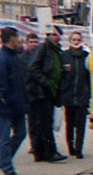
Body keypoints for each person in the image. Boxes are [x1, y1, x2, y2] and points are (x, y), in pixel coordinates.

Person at [0, 27, 27, 175]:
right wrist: (7, 101)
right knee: (4, 137)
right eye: (17, 37)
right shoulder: (1, 59)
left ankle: (2, 160)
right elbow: (0, 85)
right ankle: (7, 167)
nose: (19, 40)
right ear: (12, 39)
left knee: (21, 133)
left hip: (17, 103)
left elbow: (18, 79)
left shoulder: (14, 57)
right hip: (5, 105)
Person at [26, 27, 66, 162]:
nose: (53, 37)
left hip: (49, 92)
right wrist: (45, 82)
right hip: (41, 92)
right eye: (51, 34)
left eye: (56, 34)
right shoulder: (43, 48)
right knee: (44, 123)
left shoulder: (55, 51)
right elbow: (33, 67)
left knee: (43, 123)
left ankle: (41, 152)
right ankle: (49, 152)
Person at [60, 30, 90, 158]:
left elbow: (89, 75)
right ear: (69, 41)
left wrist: (88, 92)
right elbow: (61, 74)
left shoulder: (86, 56)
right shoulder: (64, 55)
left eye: (78, 40)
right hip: (69, 94)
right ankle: (70, 147)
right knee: (69, 123)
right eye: (74, 40)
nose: (76, 42)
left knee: (81, 124)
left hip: (82, 94)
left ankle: (79, 149)